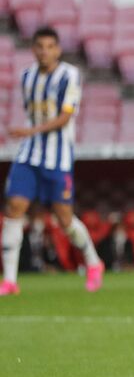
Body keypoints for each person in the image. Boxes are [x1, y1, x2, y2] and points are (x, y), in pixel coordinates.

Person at [1, 27, 105, 296]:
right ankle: (10, 281)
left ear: (57, 49)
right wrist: (29, 135)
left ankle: (94, 263)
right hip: (28, 154)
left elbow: (64, 117)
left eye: (50, 46)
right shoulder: (27, 76)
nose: (44, 51)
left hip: (57, 158)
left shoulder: (69, 76)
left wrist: (29, 131)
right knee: (14, 207)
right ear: (33, 49)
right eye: (40, 46)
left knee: (64, 220)